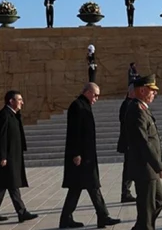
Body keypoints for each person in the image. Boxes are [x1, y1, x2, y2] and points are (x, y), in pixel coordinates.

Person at [59, 83, 120, 228]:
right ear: (87, 92)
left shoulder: (84, 105)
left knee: (77, 187)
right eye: (95, 94)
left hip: (86, 156)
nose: (96, 98)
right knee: (92, 186)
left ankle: (66, 218)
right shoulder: (77, 106)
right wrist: (76, 153)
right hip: (81, 157)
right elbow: (74, 132)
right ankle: (103, 217)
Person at [125, 74, 162, 230]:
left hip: (150, 169)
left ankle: (141, 226)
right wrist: (159, 166)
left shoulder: (142, 109)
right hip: (144, 168)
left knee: (159, 201)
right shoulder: (137, 110)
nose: (154, 93)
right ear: (142, 90)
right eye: (152, 90)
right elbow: (143, 142)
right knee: (147, 208)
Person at [0, 90, 38, 222]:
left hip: (13, 156)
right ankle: (21, 211)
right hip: (8, 157)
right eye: (19, 100)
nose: (22, 103)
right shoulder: (4, 115)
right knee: (12, 184)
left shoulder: (14, 115)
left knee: (4, 185)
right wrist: (2, 156)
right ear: (11, 101)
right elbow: (1, 137)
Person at [117, 84, 137, 203]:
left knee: (130, 167)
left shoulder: (129, 104)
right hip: (130, 143)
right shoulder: (127, 104)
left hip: (130, 142)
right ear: (131, 92)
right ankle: (125, 192)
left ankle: (126, 192)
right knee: (129, 168)